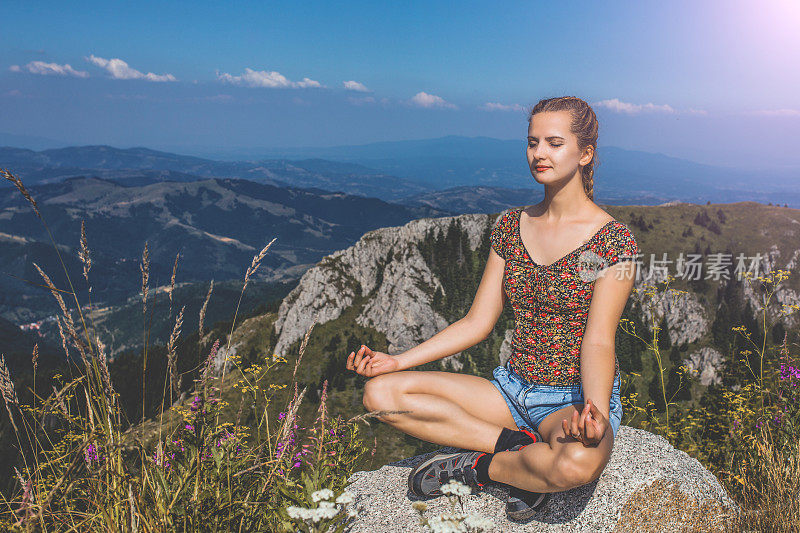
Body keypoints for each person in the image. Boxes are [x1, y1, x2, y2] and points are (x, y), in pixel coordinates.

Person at [345, 95, 639, 522]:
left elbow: (598, 340)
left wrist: (593, 410)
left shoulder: (613, 243)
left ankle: (483, 467)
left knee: (576, 463)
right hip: (509, 390)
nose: (539, 153)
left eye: (554, 143)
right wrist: (397, 361)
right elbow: (477, 321)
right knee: (381, 395)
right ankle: (517, 451)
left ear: (586, 153)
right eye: (532, 141)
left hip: (568, 401)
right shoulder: (510, 226)